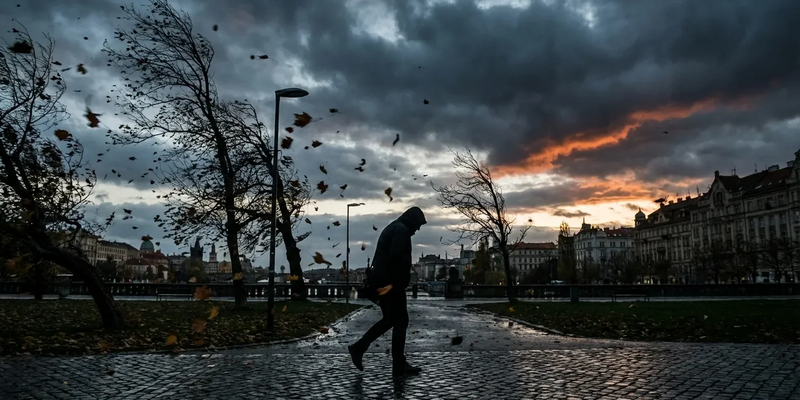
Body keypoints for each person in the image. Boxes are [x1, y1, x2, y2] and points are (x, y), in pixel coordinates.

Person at [348, 206, 427, 378]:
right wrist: (398, 280)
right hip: (391, 284)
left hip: (385, 283)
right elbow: (396, 257)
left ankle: (360, 348)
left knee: (392, 320)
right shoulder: (402, 231)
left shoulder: (394, 227)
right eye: (418, 225)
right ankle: (396, 362)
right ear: (412, 221)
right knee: (400, 321)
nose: (418, 229)